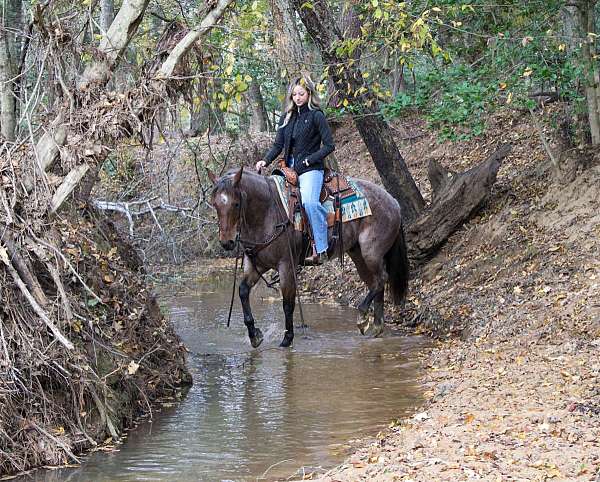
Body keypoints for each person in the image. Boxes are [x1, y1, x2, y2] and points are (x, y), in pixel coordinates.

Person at [256, 74, 335, 265]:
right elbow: (278, 146)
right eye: (294, 95)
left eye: (301, 94)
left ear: (309, 93)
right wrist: (265, 161)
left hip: (311, 169)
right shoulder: (287, 117)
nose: (297, 98)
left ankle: (322, 247)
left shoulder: (317, 115)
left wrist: (308, 161)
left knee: (309, 202)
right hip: (288, 170)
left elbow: (329, 146)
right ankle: (288, 248)